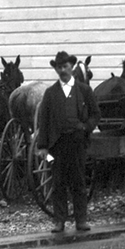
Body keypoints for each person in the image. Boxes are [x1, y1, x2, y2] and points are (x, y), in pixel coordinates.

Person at [35, 51, 100, 233]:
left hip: (77, 142)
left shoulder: (84, 91)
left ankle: (81, 220)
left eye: (65, 66)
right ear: (55, 69)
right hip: (57, 145)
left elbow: (96, 114)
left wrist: (86, 127)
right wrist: (42, 146)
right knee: (58, 184)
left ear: (71, 67)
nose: (62, 70)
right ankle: (59, 221)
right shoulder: (50, 93)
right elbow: (44, 121)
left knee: (79, 182)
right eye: (59, 67)